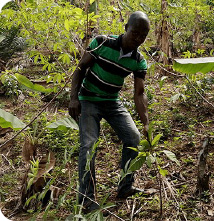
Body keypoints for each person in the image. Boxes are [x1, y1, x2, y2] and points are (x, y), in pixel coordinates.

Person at [68, 11, 150, 212]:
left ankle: (125, 186)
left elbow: (139, 94)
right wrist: (73, 98)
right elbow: (80, 69)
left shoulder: (139, 60)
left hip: (112, 102)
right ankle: (86, 199)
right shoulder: (102, 43)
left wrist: (146, 122)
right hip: (88, 100)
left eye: (143, 36)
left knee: (133, 138)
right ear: (125, 29)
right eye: (135, 33)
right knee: (89, 145)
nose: (138, 39)